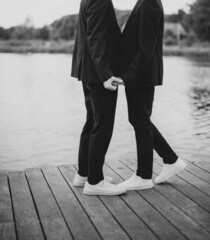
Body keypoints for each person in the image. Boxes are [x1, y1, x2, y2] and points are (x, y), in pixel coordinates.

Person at [118, 0, 187, 190]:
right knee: (139, 119)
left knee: (140, 120)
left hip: (142, 75)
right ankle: (170, 160)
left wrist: (128, 76)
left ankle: (144, 175)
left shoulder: (150, 3)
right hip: (140, 74)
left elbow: (146, 46)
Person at [71, 0, 125, 195]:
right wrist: (105, 75)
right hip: (100, 73)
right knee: (102, 125)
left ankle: (84, 174)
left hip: (89, 70)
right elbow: (95, 38)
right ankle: (95, 182)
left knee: (92, 121)